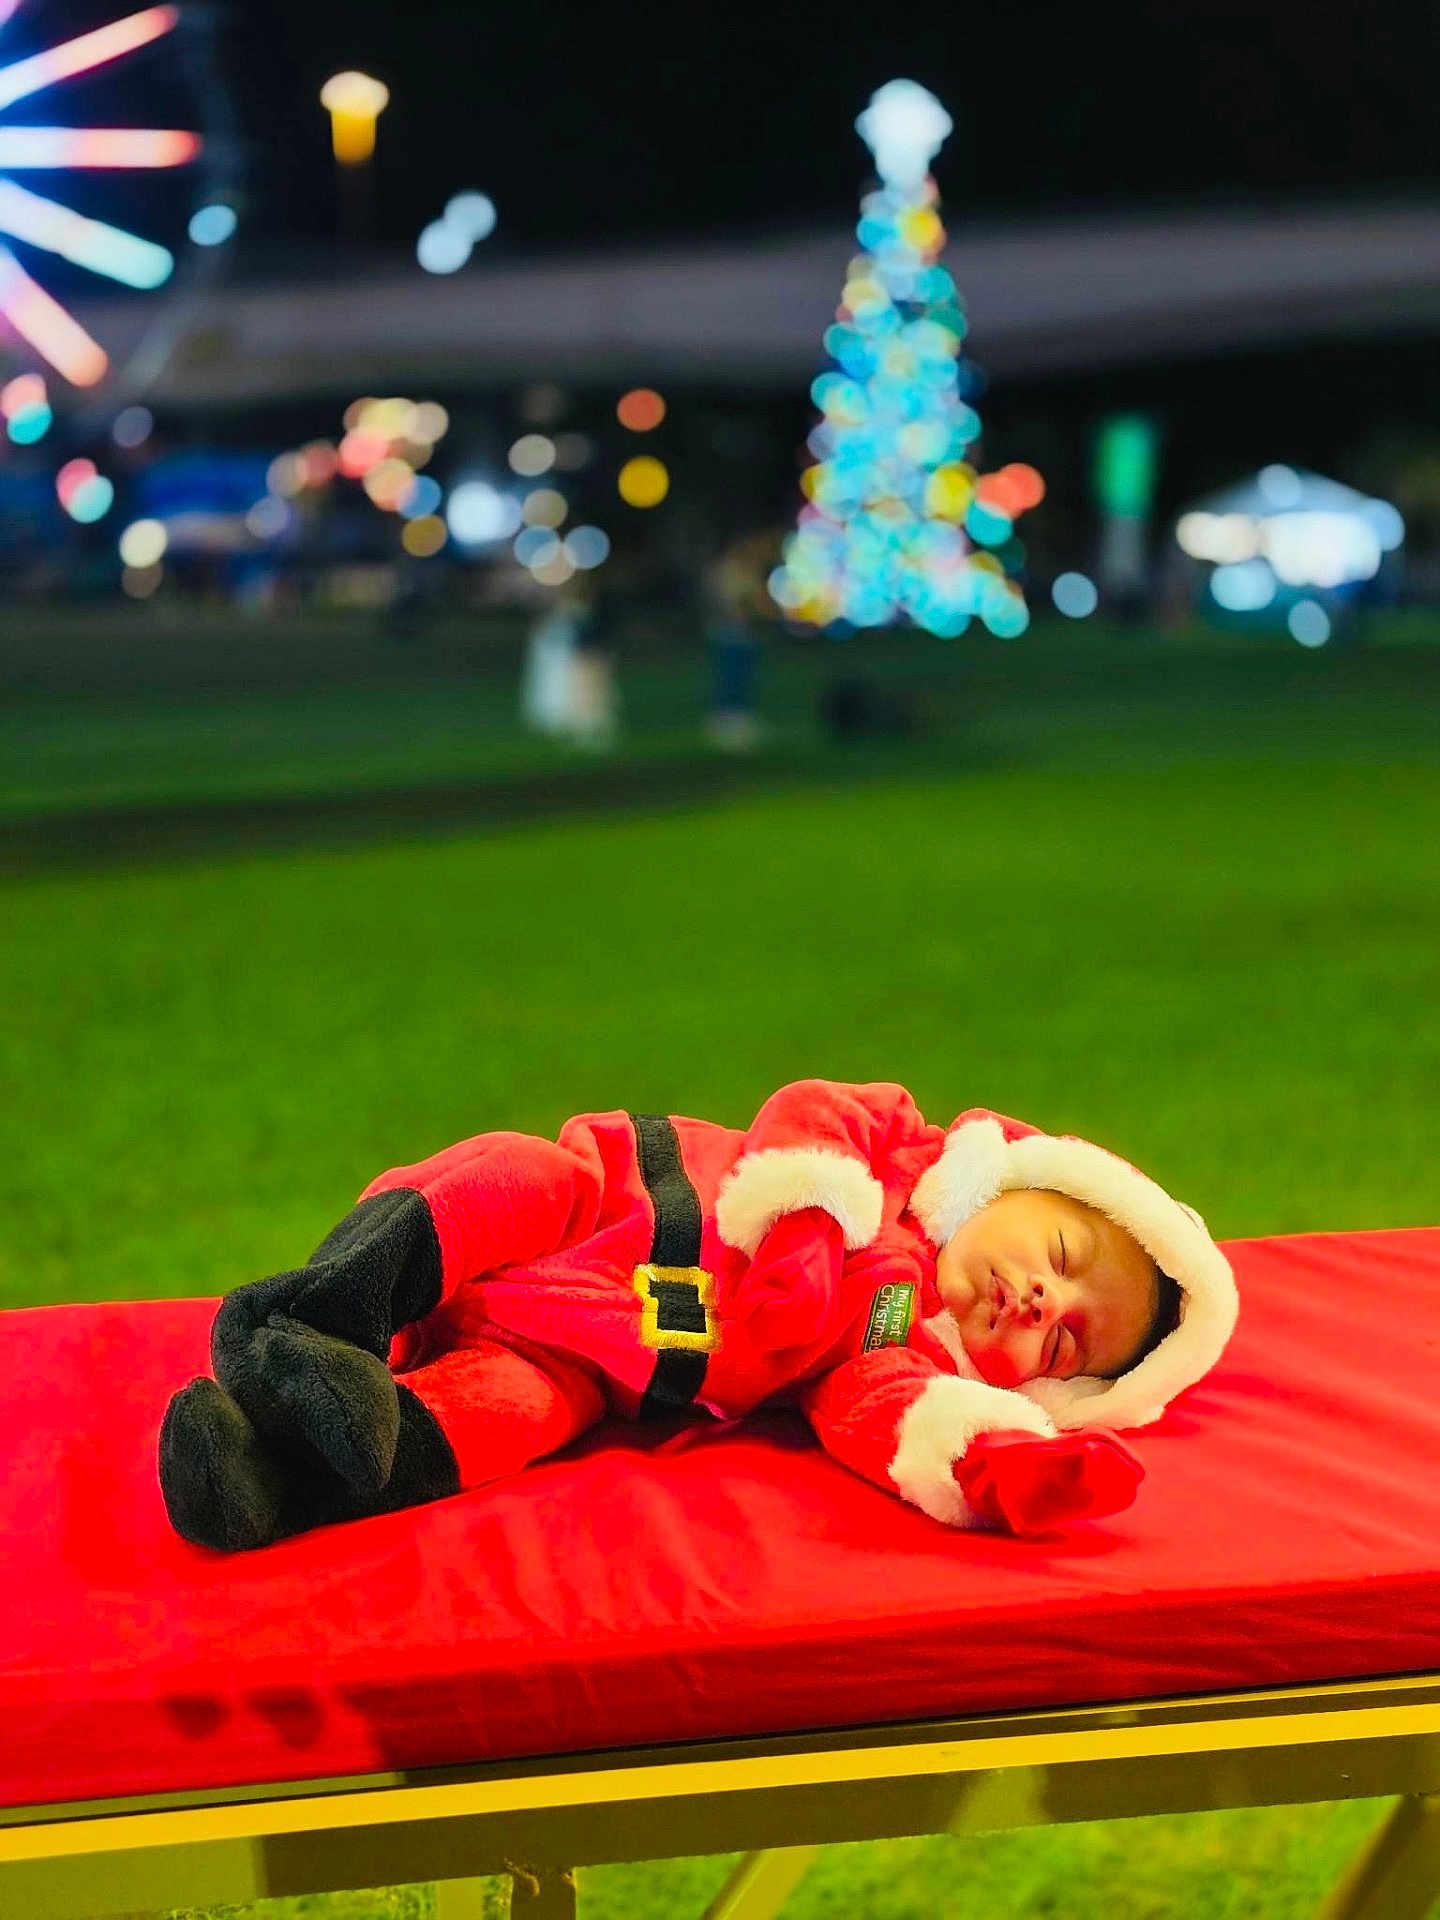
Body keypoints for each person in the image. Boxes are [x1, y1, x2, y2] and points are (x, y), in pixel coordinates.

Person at [160, 1080, 1237, 1552]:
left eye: (1061, 1341)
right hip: (602, 1209)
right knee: (505, 1178)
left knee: (505, 1421)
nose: (1044, 1302)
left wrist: (1003, 1466)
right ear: (1024, 1183)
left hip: (597, 1363)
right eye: (1061, 1258)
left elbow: (891, 1423)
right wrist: (808, 1234)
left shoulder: (893, 1350)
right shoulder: (901, 1147)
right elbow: (814, 1108)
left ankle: (270, 1485)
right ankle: (298, 1328)